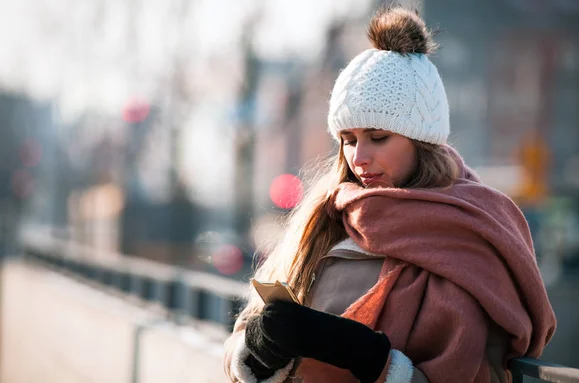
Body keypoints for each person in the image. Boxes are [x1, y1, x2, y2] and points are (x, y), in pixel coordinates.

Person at [223, 6, 556, 383]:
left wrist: (369, 358)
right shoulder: (322, 221)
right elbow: (238, 350)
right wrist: (259, 349)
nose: (359, 158)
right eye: (348, 140)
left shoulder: (474, 234)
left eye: (378, 138)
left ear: (422, 141)